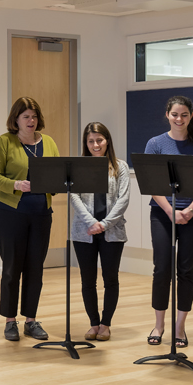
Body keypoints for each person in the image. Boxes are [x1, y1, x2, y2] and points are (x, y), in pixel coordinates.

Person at [143, 96, 193, 349]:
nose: (179, 119)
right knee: (162, 269)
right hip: (163, 213)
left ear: (191, 115)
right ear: (167, 115)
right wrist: (172, 211)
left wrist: (191, 210)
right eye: (175, 114)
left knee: (186, 270)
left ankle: (180, 326)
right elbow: (152, 185)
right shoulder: (156, 144)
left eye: (184, 115)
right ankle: (159, 325)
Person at [0, 96, 60, 342]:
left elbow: (57, 173)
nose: (31, 120)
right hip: (11, 213)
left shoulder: (48, 142)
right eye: (26, 116)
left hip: (41, 213)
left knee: (35, 268)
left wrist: (57, 184)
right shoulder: (4, 142)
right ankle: (10, 321)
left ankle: (31, 319)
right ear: (16, 119)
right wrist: (16, 184)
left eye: (34, 116)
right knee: (11, 268)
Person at [68, 122, 132, 341]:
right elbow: (74, 196)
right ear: (86, 144)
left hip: (111, 232)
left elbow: (123, 199)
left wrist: (104, 224)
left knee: (110, 279)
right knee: (88, 280)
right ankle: (93, 323)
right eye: (91, 141)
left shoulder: (119, 166)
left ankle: (106, 324)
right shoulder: (78, 166)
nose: (95, 145)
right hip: (84, 233)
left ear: (107, 141)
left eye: (99, 140)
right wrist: (90, 222)